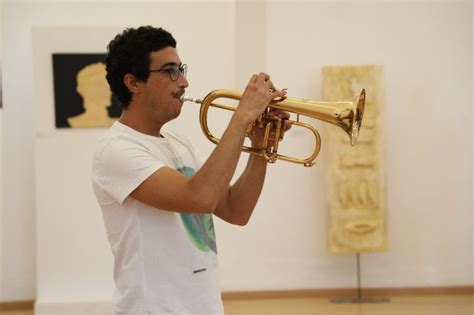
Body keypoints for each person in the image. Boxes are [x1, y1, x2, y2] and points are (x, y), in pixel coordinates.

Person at [92, 26, 289, 315]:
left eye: (181, 69)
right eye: (170, 71)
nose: (183, 81)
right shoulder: (116, 151)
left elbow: (236, 210)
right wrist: (243, 116)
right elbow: (198, 199)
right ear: (134, 82)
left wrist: (259, 147)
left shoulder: (178, 144)